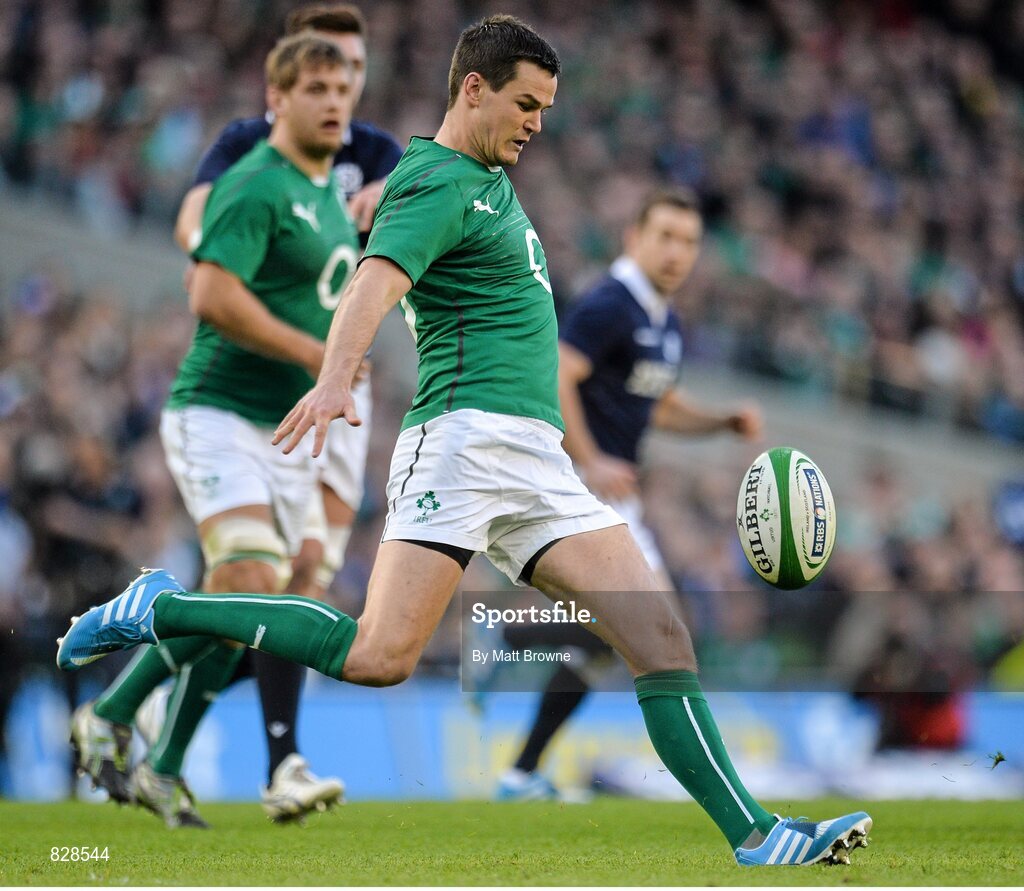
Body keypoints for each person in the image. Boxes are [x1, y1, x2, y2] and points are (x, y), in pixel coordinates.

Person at [58, 15, 871, 866]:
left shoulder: (477, 174)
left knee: (661, 638)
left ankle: (757, 834)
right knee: (378, 655)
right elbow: (375, 281)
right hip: (461, 445)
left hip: (538, 462)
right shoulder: (441, 178)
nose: (537, 123)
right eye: (525, 103)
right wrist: (336, 374)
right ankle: (161, 606)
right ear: (473, 88)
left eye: (547, 109)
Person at [71, 3, 404, 827]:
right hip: (217, 412)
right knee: (252, 580)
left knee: (246, 602)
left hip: (287, 429)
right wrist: (312, 354)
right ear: (276, 97)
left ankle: (149, 746)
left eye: (344, 87)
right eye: (318, 87)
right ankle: (127, 705)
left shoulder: (332, 191)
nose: (336, 101)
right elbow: (210, 291)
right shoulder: (255, 179)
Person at [496, 188, 763, 800]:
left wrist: (720, 422)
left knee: (603, 649)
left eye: (689, 241)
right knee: (661, 632)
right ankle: (514, 634)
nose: (677, 252)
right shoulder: (612, 302)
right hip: (585, 488)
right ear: (633, 239)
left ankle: (519, 773)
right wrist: (589, 459)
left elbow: (658, 404)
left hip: (614, 496)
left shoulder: (662, 317)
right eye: (665, 236)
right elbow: (559, 369)